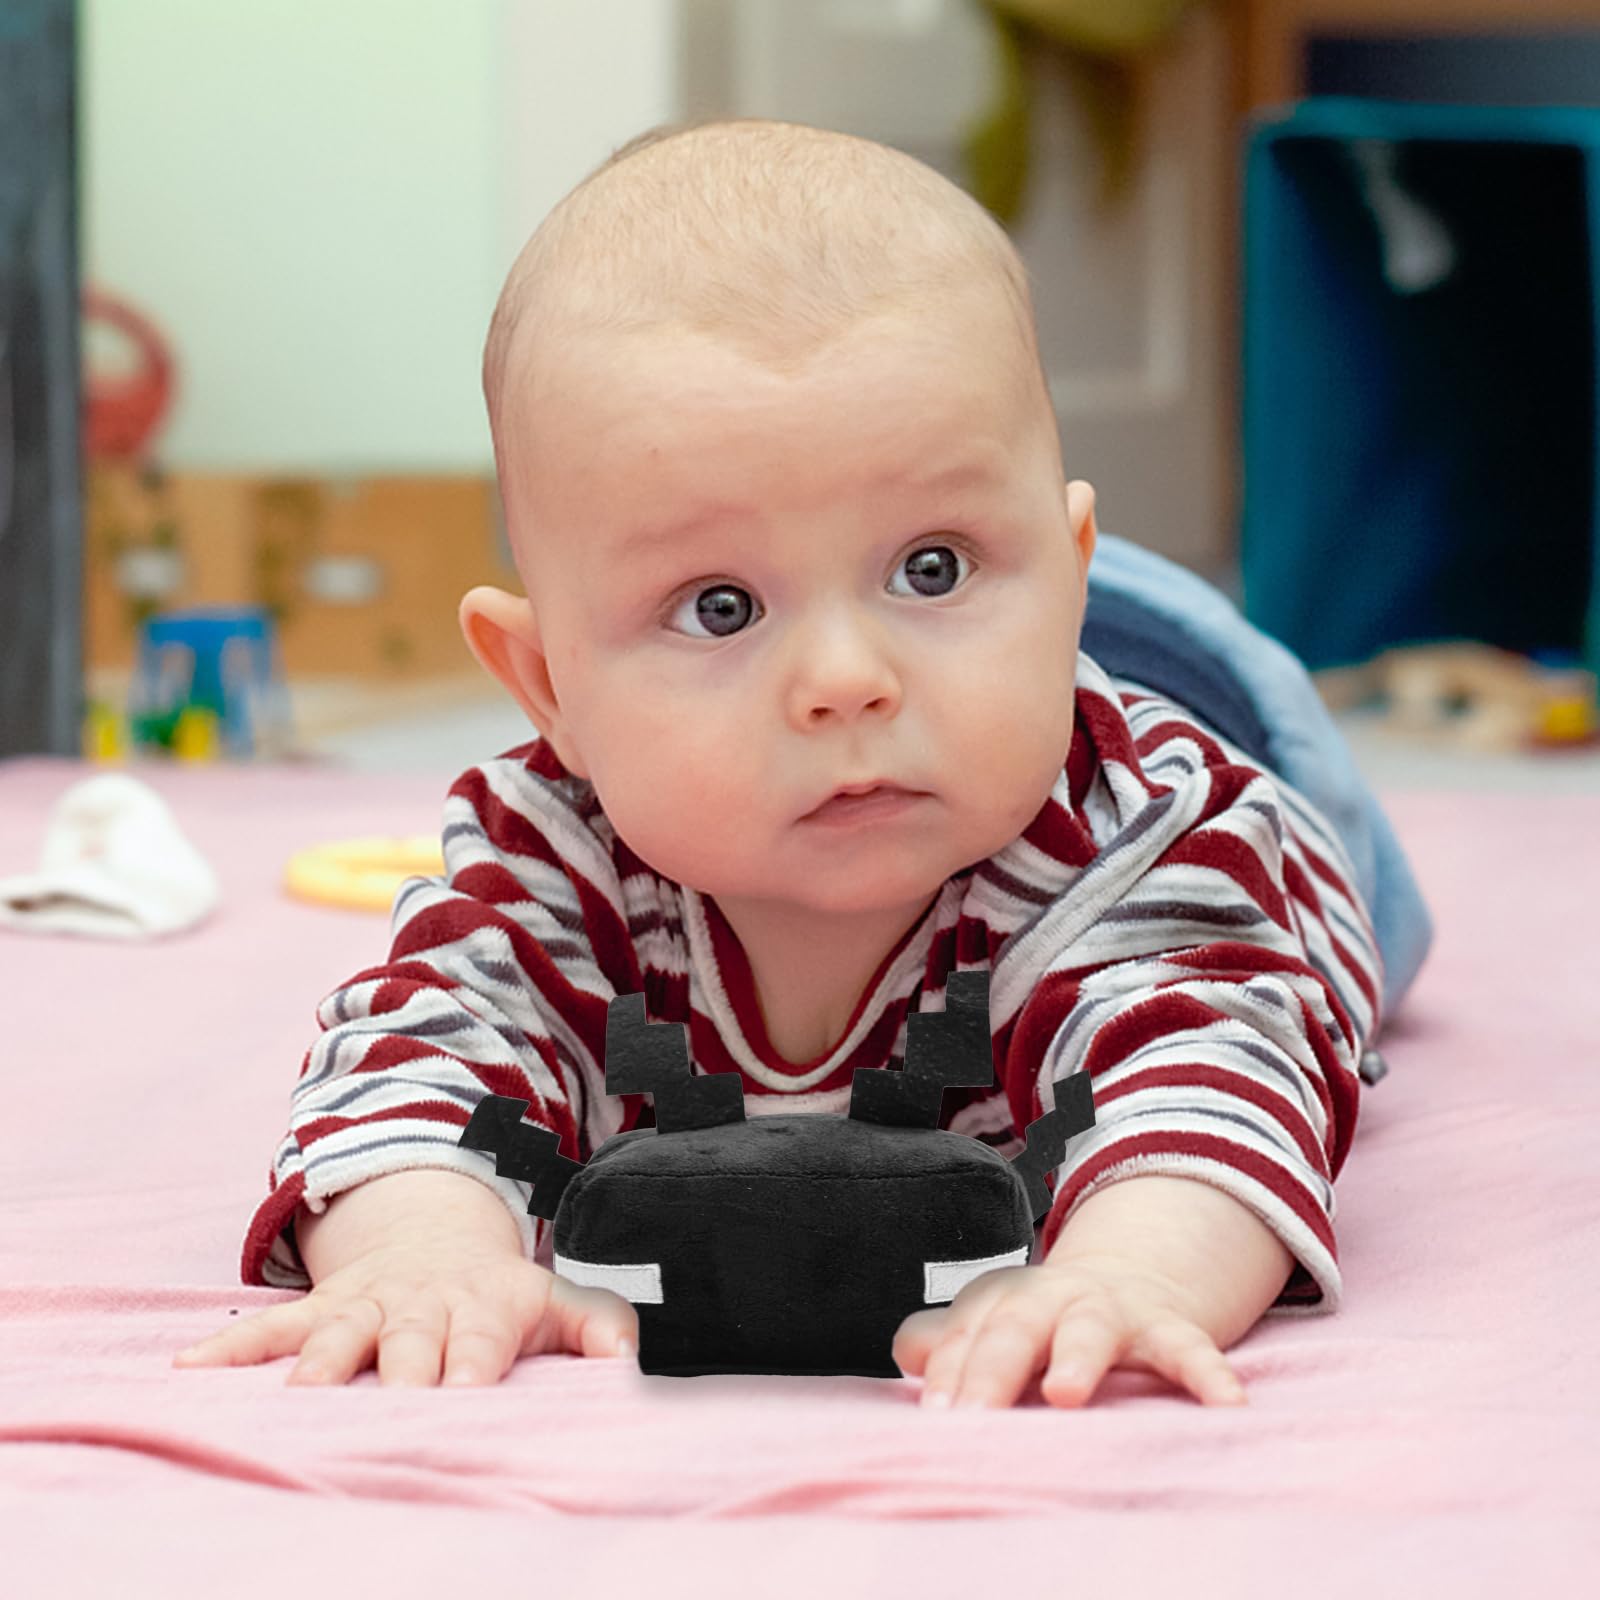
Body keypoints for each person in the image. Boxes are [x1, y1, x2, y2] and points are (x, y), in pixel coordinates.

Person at [174, 117, 1431, 1409]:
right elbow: (422, 1053)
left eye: (930, 563)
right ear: (547, 687)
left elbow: (1208, 1065)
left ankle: (1132, 631)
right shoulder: (551, 841)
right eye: (720, 605)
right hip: (1001, 667)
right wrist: (423, 1252)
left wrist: (1132, 1275)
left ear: (1064, 574)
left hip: (1219, 751)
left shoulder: (1139, 834)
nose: (845, 680)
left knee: (1325, 875)